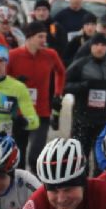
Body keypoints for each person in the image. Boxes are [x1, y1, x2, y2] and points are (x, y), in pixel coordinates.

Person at [8, 20, 66, 169]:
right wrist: (14, 81)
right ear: (29, 37)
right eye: (40, 36)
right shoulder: (13, 55)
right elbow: (3, 79)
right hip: (20, 113)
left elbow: (61, 72)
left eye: (45, 36)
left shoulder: (50, 54)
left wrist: (57, 93)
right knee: (18, 158)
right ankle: (19, 188)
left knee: (36, 156)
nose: (44, 40)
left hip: (42, 112)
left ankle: (37, 187)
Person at [63, 32, 106, 162]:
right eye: (96, 44)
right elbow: (64, 86)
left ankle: (100, 181)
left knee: (103, 158)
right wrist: (82, 86)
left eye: (103, 45)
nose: (99, 48)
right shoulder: (80, 65)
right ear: (91, 47)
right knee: (79, 157)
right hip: (83, 119)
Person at [50, 0, 90, 64]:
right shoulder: (61, 15)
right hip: (65, 54)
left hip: (82, 53)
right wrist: (54, 34)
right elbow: (51, 26)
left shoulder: (87, 16)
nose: (76, 0)